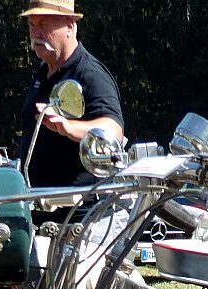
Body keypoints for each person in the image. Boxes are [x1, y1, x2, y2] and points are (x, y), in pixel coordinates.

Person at [17, 0, 124, 194]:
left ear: (69, 26)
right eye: (32, 25)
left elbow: (114, 130)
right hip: (38, 202)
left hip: (81, 206)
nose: (35, 34)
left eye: (43, 25)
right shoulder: (42, 73)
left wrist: (68, 127)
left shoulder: (90, 73)